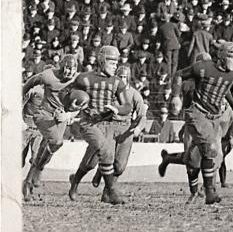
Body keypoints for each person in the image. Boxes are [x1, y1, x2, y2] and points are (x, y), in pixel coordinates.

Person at [171, 42, 233, 204]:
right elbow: (179, 74)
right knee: (212, 149)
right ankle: (209, 192)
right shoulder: (203, 68)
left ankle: (170, 159)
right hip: (196, 114)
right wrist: (175, 96)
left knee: (201, 157)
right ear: (223, 57)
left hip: (214, 119)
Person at [69, 66, 148, 200]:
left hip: (125, 128)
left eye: (124, 77)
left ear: (128, 78)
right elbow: (92, 102)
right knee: (94, 160)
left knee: (120, 166)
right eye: (120, 76)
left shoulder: (134, 94)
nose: (122, 79)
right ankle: (82, 183)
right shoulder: (110, 89)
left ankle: (107, 189)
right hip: (108, 125)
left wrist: (139, 127)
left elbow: (142, 115)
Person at [67, 46, 131, 205]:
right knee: (106, 152)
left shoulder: (117, 82)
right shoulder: (84, 78)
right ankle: (112, 192)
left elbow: (128, 106)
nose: (115, 66)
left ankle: (74, 182)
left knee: (90, 162)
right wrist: (72, 106)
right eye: (112, 62)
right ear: (102, 61)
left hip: (107, 124)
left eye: (117, 62)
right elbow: (67, 95)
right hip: (88, 122)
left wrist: (117, 109)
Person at [21, 54, 79, 200]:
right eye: (67, 68)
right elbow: (30, 82)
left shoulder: (79, 80)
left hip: (61, 117)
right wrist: (19, 97)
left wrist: (69, 116)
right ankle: (38, 170)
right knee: (56, 142)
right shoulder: (48, 75)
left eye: (72, 69)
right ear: (61, 67)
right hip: (44, 114)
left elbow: (83, 102)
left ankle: (28, 181)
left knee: (47, 148)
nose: (69, 73)